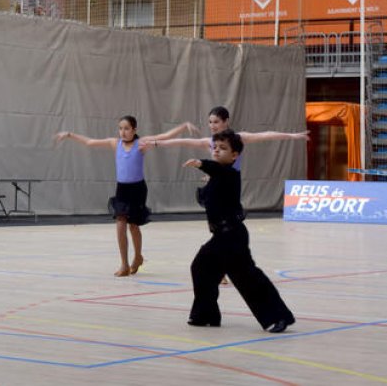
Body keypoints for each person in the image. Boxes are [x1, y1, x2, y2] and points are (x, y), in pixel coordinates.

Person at [179, 130, 295, 331]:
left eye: (223, 148)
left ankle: (278, 317)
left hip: (232, 236)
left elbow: (217, 170)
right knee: (201, 267)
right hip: (222, 236)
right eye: (214, 147)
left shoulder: (230, 174)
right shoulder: (216, 177)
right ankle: (206, 315)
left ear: (235, 155)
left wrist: (201, 163)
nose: (217, 150)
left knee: (247, 277)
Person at [54, 116, 199, 276]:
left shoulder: (141, 143)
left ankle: (138, 257)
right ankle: (124, 264)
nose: (122, 132)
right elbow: (90, 142)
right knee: (120, 222)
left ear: (134, 130)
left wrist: (184, 126)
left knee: (133, 225)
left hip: (137, 189)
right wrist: (69, 135)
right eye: (120, 128)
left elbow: (163, 137)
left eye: (126, 128)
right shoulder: (115, 143)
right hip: (122, 189)